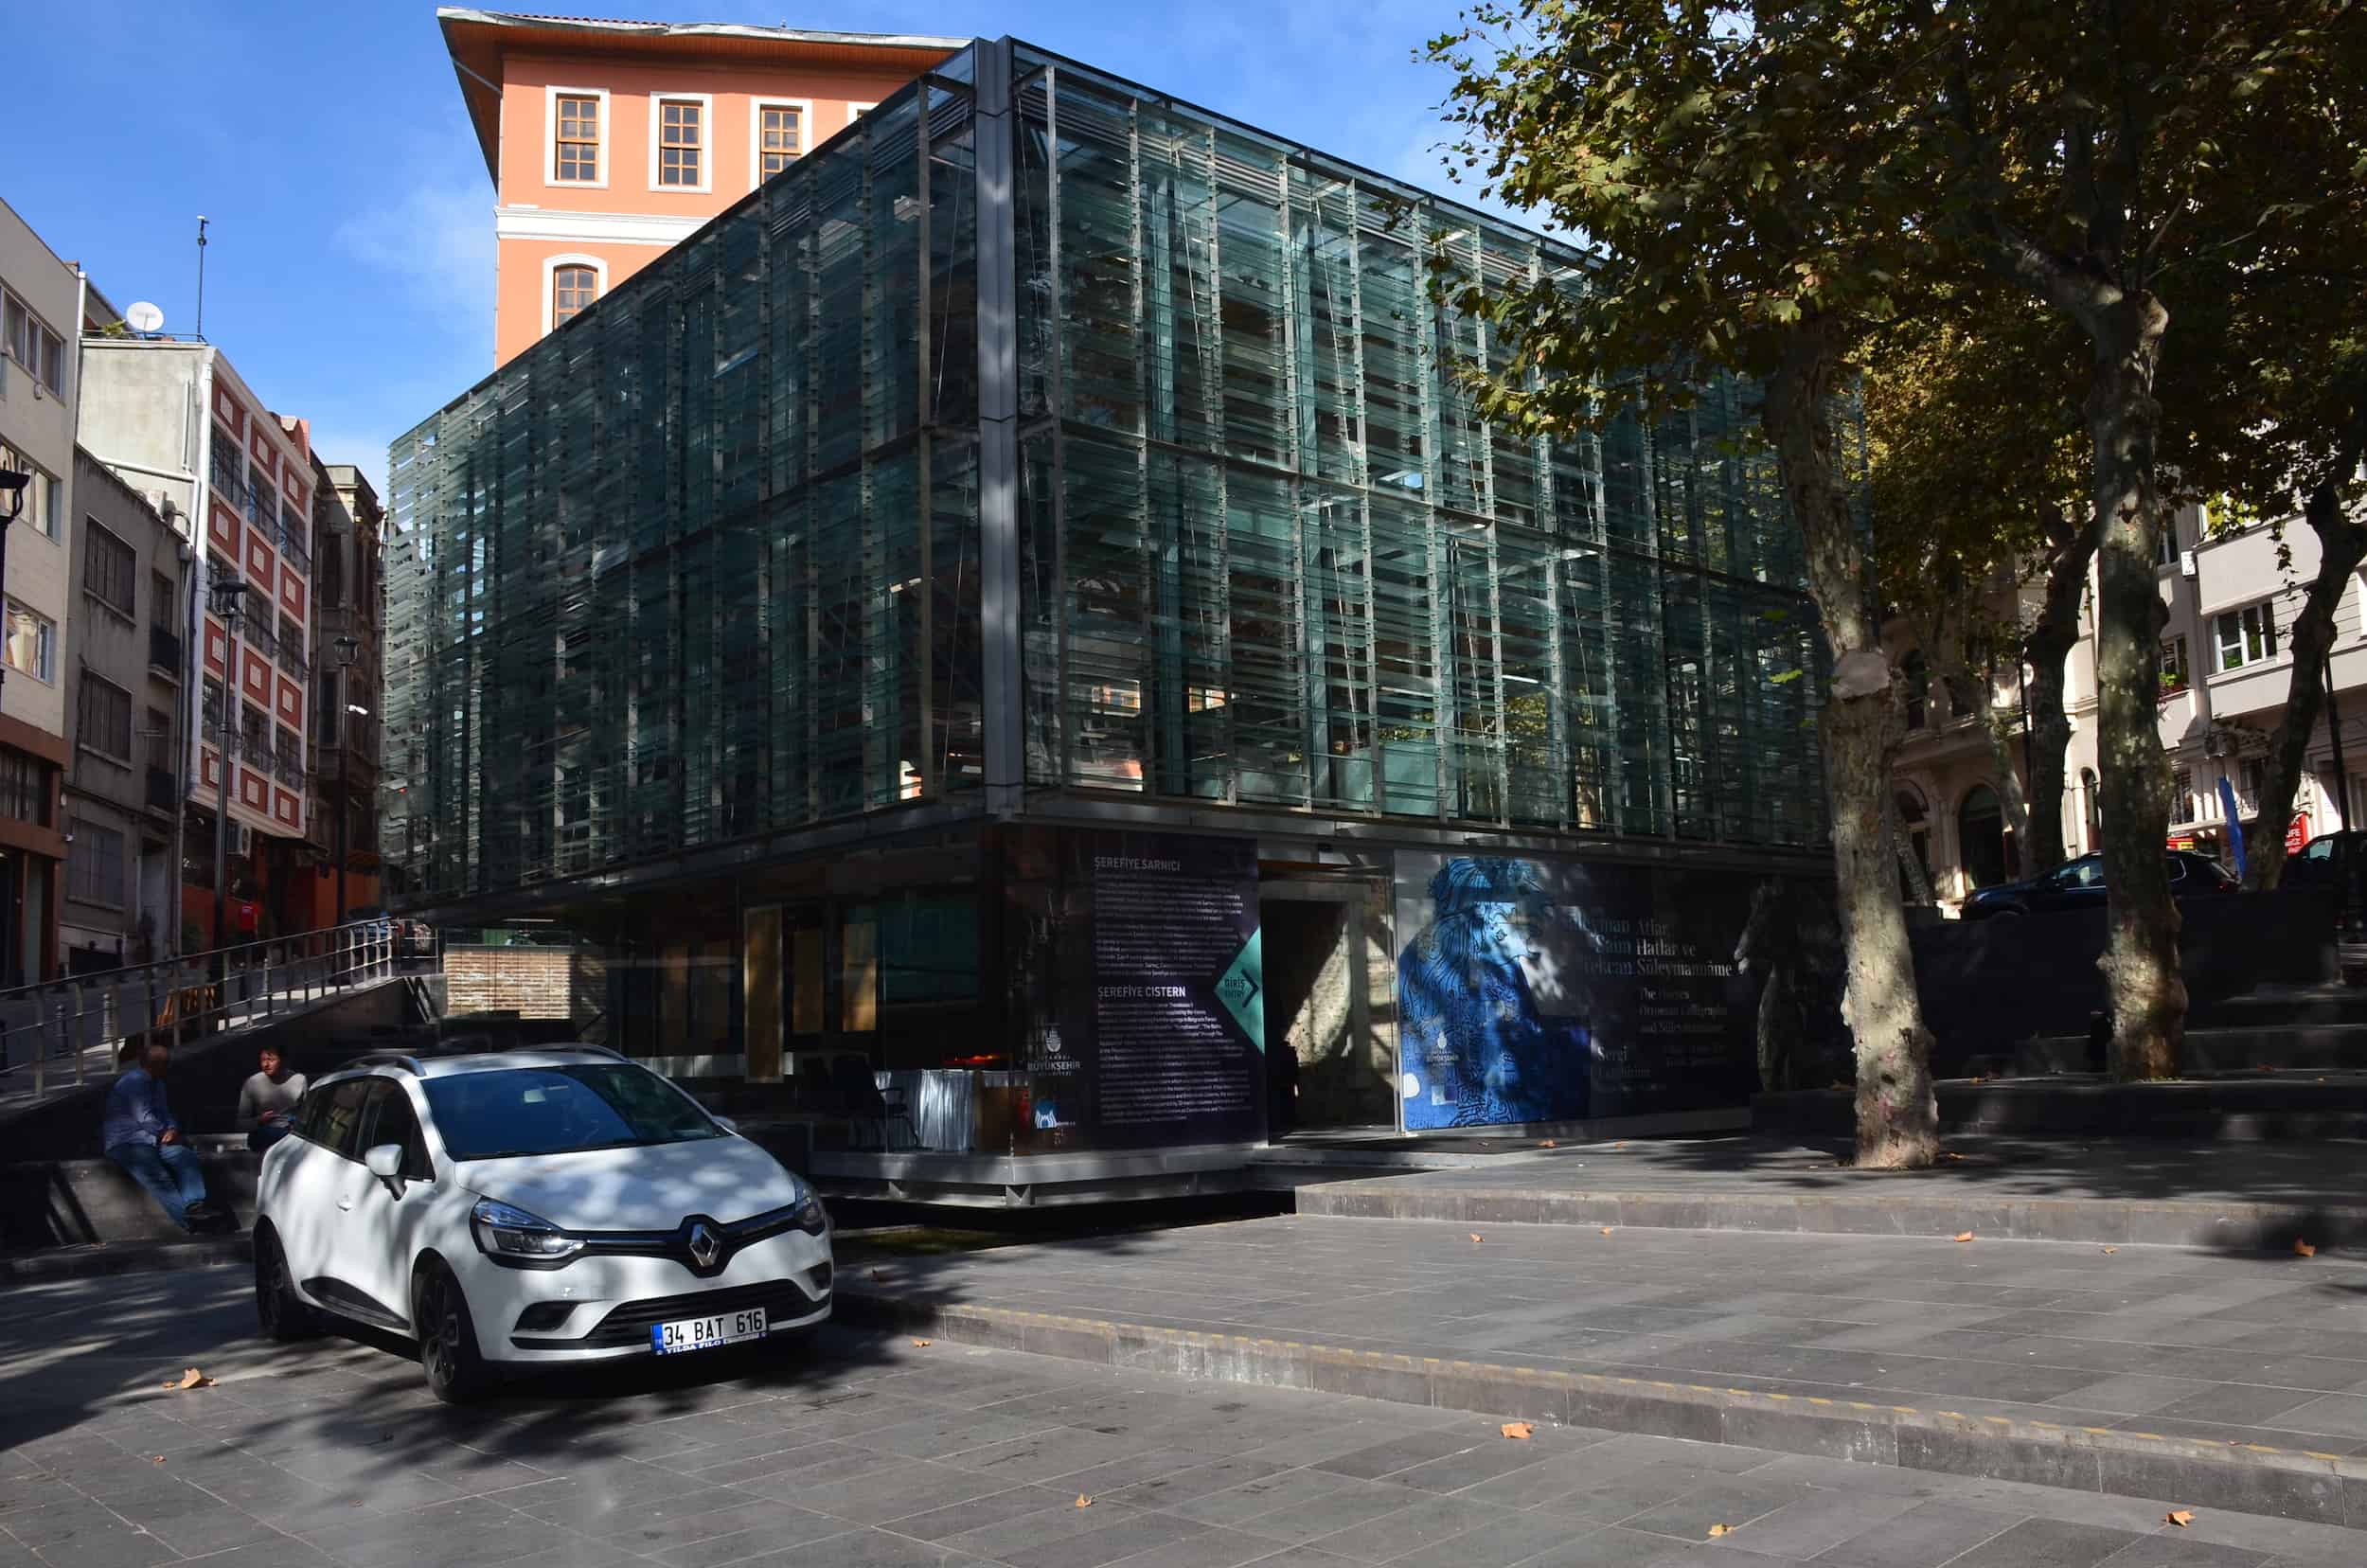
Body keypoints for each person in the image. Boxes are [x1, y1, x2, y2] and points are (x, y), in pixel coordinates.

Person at [102, 1041, 222, 1233]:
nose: (169, 1067)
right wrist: (163, 1132)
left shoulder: (157, 1084)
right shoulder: (135, 1082)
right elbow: (145, 1117)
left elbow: (164, 1112)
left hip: (154, 1139)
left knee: (184, 1156)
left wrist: (173, 1129)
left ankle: (195, 1204)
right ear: (155, 1065)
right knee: (159, 1177)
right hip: (128, 1142)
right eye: (166, 1063)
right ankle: (190, 1222)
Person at [238, 1046, 307, 1152]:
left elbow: (308, 1117)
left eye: (271, 1060)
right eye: (263, 1060)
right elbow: (240, 1123)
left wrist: (297, 1123)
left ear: (283, 1061)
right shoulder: (252, 1083)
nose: (266, 1065)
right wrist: (259, 1120)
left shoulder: (299, 1080)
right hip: (263, 1136)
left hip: (291, 1137)